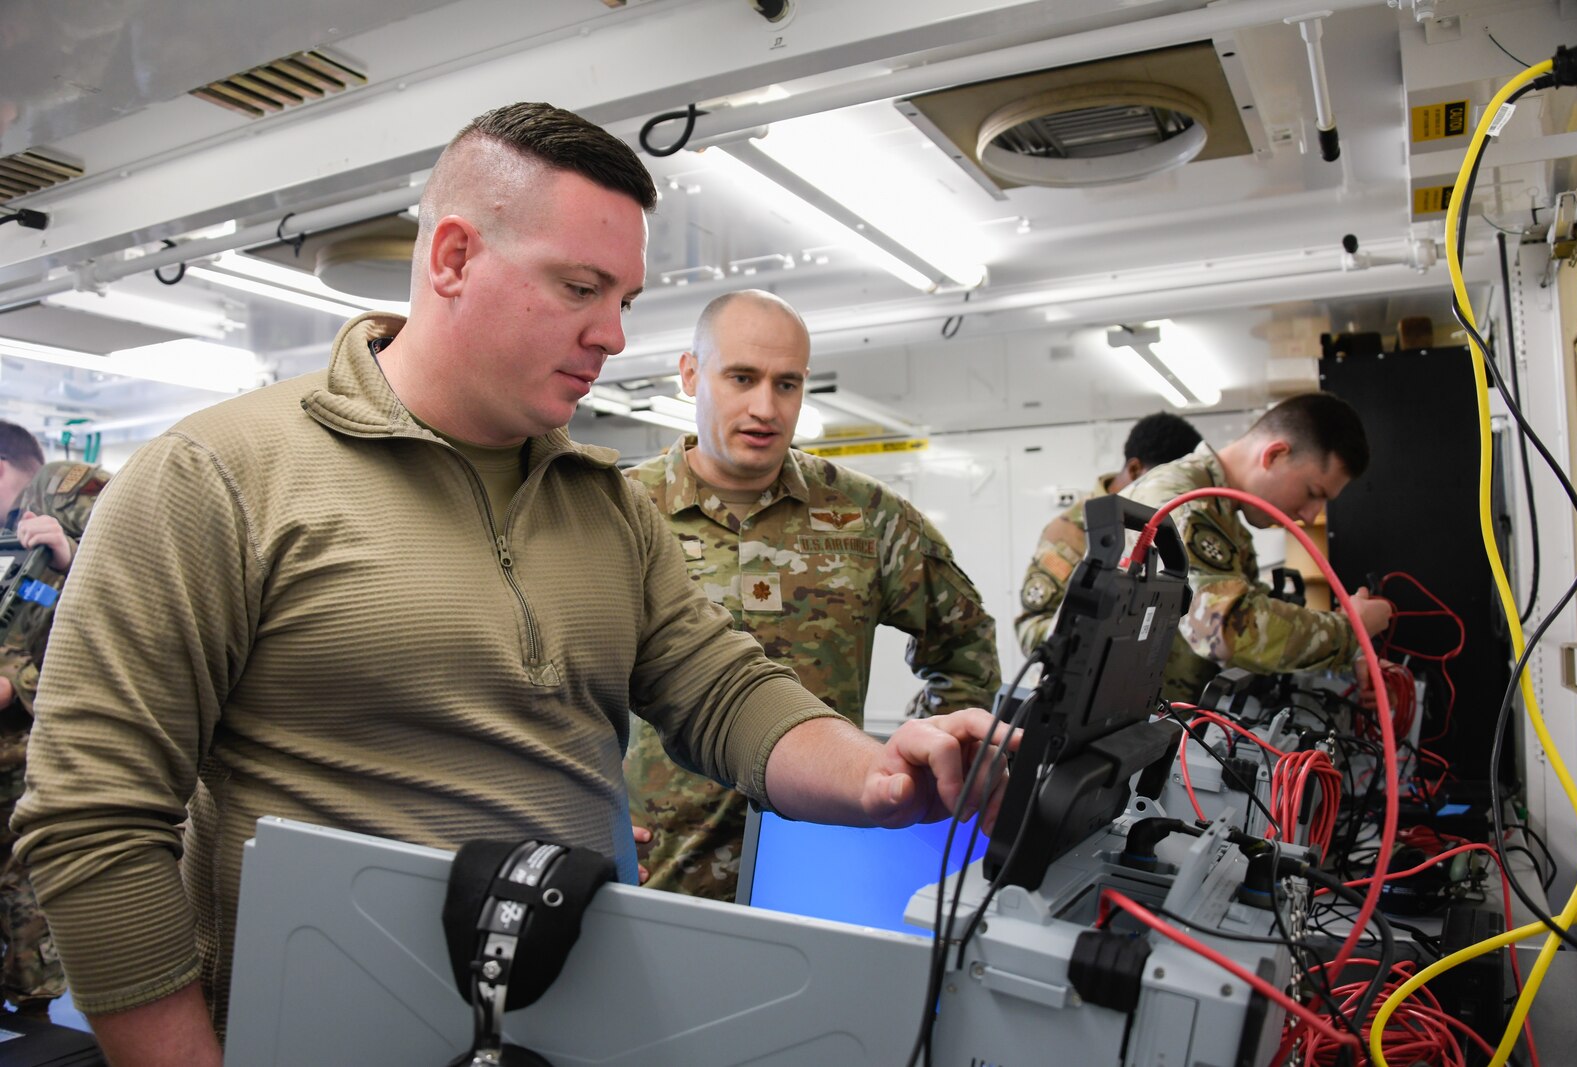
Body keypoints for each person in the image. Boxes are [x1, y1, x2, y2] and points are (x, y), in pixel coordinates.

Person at [11, 103, 1014, 1067]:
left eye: (623, 298)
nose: (613, 334)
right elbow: (95, 817)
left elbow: (724, 691)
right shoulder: (220, 475)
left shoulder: (606, 507)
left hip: (571, 1022)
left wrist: (873, 773)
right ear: (452, 258)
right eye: (580, 287)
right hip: (316, 1025)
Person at [625, 290, 1001, 901]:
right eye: (741, 378)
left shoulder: (868, 517)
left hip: (821, 855)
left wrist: (924, 761)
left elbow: (964, 637)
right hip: (661, 867)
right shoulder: (622, 511)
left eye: (787, 384)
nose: (765, 407)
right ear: (690, 374)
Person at [1119, 392, 1394, 703]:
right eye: (1312, 492)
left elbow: (1259, 611)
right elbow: (1225, 631)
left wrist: (1348, 657)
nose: (1308, 514)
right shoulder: (1181, 500)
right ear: (1275, 454)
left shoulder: (1223, 514)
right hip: (1132, 735)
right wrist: (1349, 632)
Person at [0, 427, 109, 1016]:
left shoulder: (59, 500)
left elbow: (127, 589)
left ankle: (36, 995)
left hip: (46, 749)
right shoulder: (18, 546)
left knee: (25, 877)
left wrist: (73, 557)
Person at [1015, 412, 1202, 654]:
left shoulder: (1166, 523)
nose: (1170, 494)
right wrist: (1097, 635)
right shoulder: (1074, 530)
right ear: (1135, 469)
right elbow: (1033, 627)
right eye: (1163, 482)